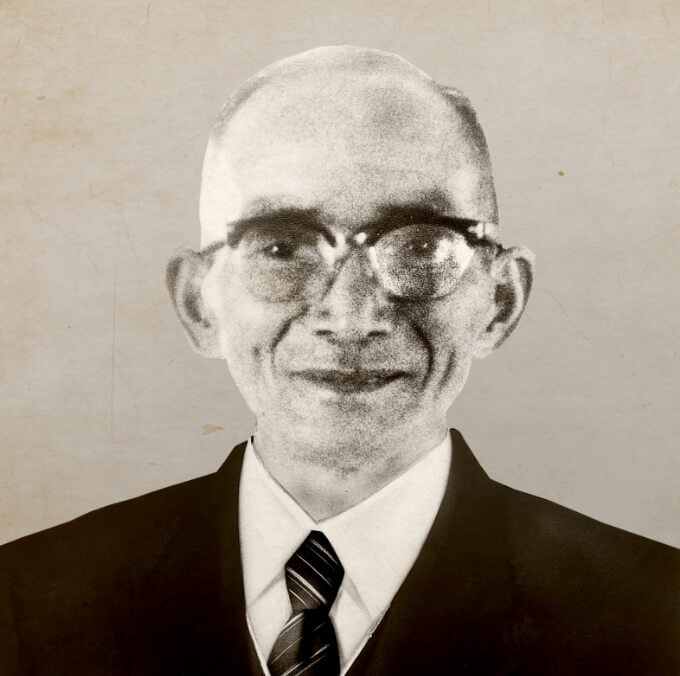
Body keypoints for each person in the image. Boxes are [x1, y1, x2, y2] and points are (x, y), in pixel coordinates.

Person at [0, 46, 677, 675]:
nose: (351, 318)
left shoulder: (654, 615)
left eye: (421, 246)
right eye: (281, 247)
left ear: (500, 301)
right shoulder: (25, 601)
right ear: (199, 304)